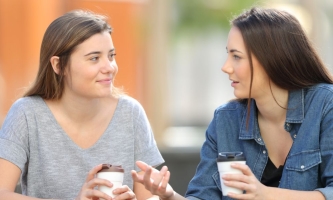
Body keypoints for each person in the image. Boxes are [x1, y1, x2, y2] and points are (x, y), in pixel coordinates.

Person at [131, 6, 333, 200]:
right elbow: (203, 196)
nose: (226, 67)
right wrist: (168, 195)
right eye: (228, 55)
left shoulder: (326, 105)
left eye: (236, 56)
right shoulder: (226, 119)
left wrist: (266, 195)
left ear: (272, 59)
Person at [0, 10, 164, 200]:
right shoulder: (27, 114)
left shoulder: (131, 114)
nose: (109, 67)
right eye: (94, 58)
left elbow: (149, 198)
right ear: (58, 65)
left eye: (111, 56)